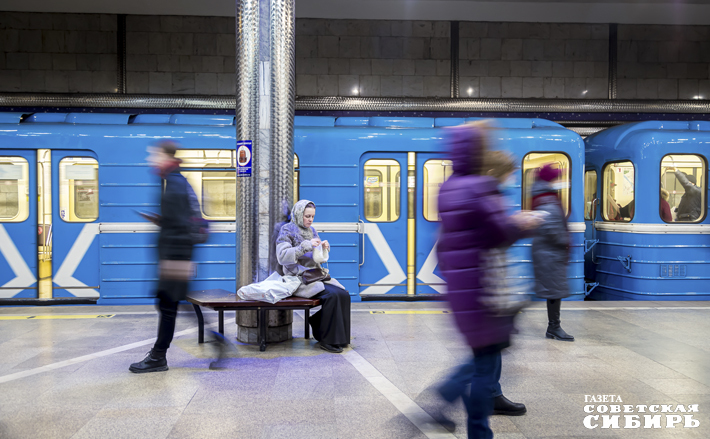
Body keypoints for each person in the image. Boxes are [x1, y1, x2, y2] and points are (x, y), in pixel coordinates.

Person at [437, 123, 541, 438]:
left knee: (484, 358)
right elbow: (499, 233)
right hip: (484, 290)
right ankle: (475, 428)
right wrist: (525, 223)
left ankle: (457, 406)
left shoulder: (451, 186)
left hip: (465, 290)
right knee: (484, 363)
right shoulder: (477, 187)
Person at [130, 141, 196, 373]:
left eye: (154, 155)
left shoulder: (174, 183)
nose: (151, 159)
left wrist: (168, 263)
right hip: (175, 257)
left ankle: (158, 357)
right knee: (170, 306)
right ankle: (159, 355)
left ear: (163, 155)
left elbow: (179, 226)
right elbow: (179, 221)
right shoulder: (173, 180)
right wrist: (161, 220)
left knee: (169, 307)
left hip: (174, 258)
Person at [276, 199, 351, 353]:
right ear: (298, 214)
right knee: (331, 296)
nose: (310, 220)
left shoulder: (312, 231)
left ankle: (339, 338)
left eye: (312, 217)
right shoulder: (287, 230)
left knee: (343, 295)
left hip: (314, 276)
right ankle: (327, 339)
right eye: (307, 216)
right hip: (298, 278)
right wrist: (305, 246)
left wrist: (324, 250)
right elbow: (282, 256)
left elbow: (317, 258)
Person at [531, 164, 574, 342]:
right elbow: (550, 227)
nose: (559, 181)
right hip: (550, 254)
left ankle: (554, 327)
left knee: (553, 291)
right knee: (554, 291)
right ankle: (554, 327)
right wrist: (564, 240)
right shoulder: (547, 199)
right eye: (556, 178)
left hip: (549, 254)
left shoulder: (545, 196)